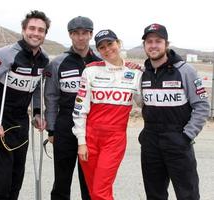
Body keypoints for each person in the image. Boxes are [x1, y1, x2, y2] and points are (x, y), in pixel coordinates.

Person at [0, 10, 50, 200]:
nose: (35, 33)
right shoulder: (4, 55)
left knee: (16, 180)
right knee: (1, 181)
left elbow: (38, 86)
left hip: (20, 124)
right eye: (32, 28)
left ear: (45, 34)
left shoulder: (43, 59)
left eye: (41, 30)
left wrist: (37, 112)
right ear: (23, 30)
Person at [139, 23, 210, 200]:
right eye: (149, 41)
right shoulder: (142, 73)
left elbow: (202, 105)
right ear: (144, 46)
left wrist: (186, 136)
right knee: (154, 195)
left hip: (178, 141)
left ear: (166, 44)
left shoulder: (185, 70)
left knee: (188, 195)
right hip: (151, 143)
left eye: (158, 41)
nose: (153, 45)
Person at [72, 29, 143, 200]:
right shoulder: (90, 71)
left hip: (114, 139)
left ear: (118, 43)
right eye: (102, 47)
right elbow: (80, 109)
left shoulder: (136, 73)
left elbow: (145, 104)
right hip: (89, 138)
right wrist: (81, 142)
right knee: (94, 191)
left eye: (110, 44)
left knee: (100, 192)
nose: (107, 49)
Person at [44, 16, 101, 200]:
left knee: (89, 181)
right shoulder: (58, 62)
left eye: (85, 33)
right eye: (76, 33)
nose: (81, 37)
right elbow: (51, 97)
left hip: (92, 128)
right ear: (70, 35)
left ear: (91, 34)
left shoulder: (101, 62)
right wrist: (51, 129)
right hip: (65, 126)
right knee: (62, 181)